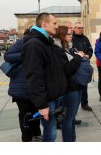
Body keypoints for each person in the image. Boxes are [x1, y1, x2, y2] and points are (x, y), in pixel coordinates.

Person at [22, 13, 67, 142]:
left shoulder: (46, 41)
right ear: (44, 24)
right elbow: (34, 77)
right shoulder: (34, 43)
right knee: (50, 134)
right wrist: (42, 106)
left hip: (54, 96)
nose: (57, 26)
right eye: (54, 23)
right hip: (47, 100)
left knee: (51, 132)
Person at [5, 27, 42, 142]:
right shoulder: (22, 42)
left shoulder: (40, 43)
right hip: (21, 87)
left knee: (36, 112)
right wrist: (25, 55)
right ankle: (26, 138)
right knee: (25, 114)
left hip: (35, 86)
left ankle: (36, 133)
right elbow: (7, 56)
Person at [53, 25, 84, 142]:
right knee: (68, 118)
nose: (71, 36)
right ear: (62, 35)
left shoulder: (66, 48)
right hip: (69, 88)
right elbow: (67, 70)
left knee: (71, 117)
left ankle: (72, 139)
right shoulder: (58, 50)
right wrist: (78, 57)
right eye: (69, 34)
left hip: (75, 86)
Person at [72, 21, 93, 112]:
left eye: (82, 28)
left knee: (84, 86)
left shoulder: (85, 38)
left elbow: (90, 49)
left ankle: (85, 104)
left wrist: (88, 55)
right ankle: (74, 106)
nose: (81, 29)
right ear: (74, 29)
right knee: (76, 87)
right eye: (79, 28)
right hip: (76, 66)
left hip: (85, 65)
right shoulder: (71, 39)